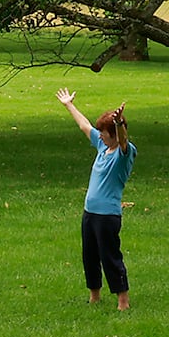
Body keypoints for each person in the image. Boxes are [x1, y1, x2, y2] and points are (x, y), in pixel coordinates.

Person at [54, 88, 136, 310]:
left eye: (104, 132)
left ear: (114, 133)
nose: (100, 135)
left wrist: (119, 125)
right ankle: (94, 295)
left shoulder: (123, 154)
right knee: (89, 256)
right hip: (89, 213)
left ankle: (123, 300)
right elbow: (84, 126)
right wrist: (68, 105)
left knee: (109, 256)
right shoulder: (102, 147)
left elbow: (123, 141)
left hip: (107, 215)